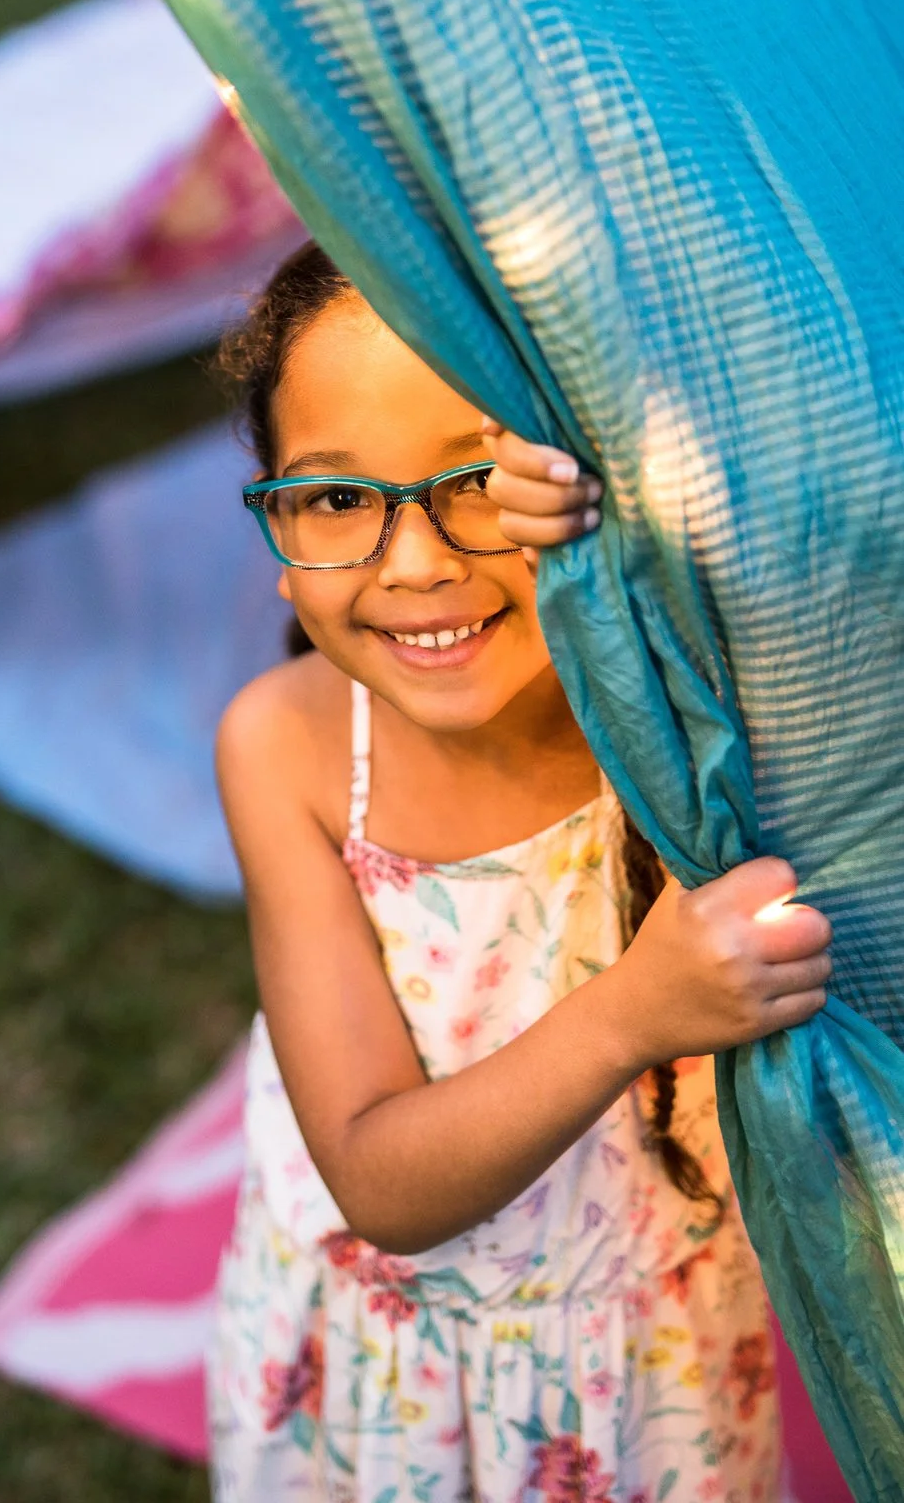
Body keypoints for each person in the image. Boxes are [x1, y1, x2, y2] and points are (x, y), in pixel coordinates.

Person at [208, 241, 831, 1503]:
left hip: (644, 1365)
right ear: (277, 524)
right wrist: (635, 1014)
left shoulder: (693, 723)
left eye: (479, 477)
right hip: (381, 1370)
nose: (417, 560)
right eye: (336, 498)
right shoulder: (285, 745)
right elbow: (379, 1177)